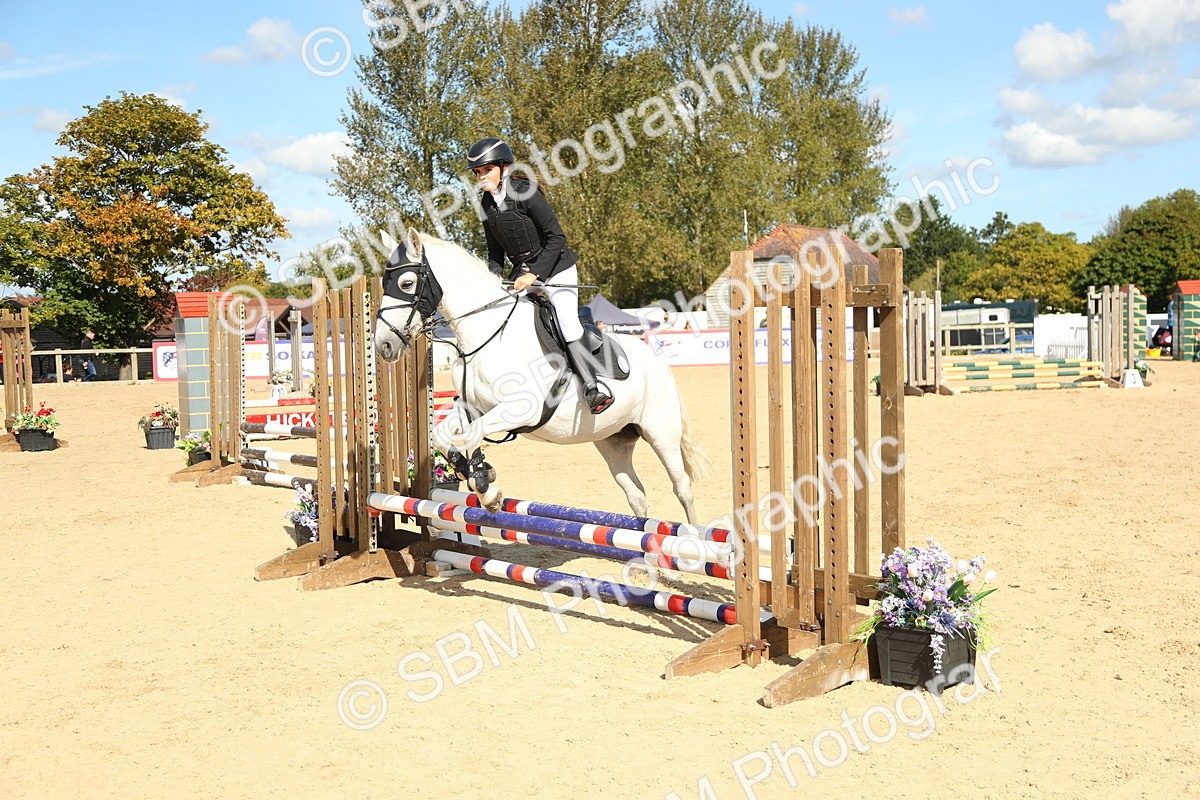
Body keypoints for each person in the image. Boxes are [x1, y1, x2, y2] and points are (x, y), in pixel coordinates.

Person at [466, 136, 613, 414]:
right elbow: (495, 251)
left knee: (568, 323)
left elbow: (556, 237)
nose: (481, 176)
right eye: (478, 172)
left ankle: (593, 387)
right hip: (523, 271)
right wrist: (494, 279)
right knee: (505, 316)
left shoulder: (527, 193)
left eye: (487, 170)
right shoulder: (485, 205)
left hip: (557, 266)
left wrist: (534, 274)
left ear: (504, 168)